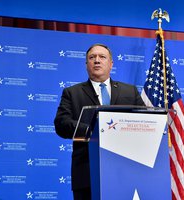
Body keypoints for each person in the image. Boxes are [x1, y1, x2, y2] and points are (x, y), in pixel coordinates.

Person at [54, 43, 145, 200]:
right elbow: (61, 124)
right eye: (92, 57)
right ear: (86, 64)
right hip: (87, 174)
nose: (97, 60)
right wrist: (95, 130)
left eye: (102, 57)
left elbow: (145, 120)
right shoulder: (72, 93)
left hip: (125, 172)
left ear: (111, 64)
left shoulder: (129, 91)